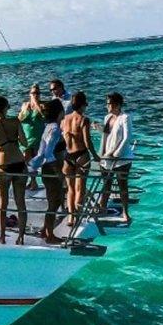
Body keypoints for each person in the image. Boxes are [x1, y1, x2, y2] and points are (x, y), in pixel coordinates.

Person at [0, 96, 29, 245]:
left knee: (3, 203)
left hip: (3, 166)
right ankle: (21, 237)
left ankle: (2, 236)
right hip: (19, 164)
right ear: (6, 108)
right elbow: (24, 142)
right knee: (21, 202)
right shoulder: (15, 122)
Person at [28, 99, 66, 244]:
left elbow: (43, 151)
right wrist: (58, 171)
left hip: (48, 168)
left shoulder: (48, 126)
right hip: (52, 169)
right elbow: (49, 152)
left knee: (54, 200)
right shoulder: (55, 129)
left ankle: (46, 229)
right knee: (55, 201)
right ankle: (49, 234)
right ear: (60, 112)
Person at [61, 91, 97, 230]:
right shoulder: (83, 120)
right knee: (79, 189)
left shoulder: (64, 120)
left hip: (67, 156)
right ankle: (79, 215)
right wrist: (95, 156)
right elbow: (87, 142)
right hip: (81, 155)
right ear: (83, 105)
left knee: (70, 189)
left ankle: (71, 217)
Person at [98, 92, 135, 224]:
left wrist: (117, 153)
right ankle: (102, 207)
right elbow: (106, 136)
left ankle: (125, 211)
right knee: (106, 184)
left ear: (117, 105)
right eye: (107, 103)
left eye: (110, 104)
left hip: (122, 157)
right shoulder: (107, 117)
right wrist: (101, 155)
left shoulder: (125, 117)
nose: (107, 106)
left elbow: (127, 137)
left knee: (122, 185)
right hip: (107, 156)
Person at [18, 84, 46, 192]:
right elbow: (20, 119)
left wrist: (37, 104)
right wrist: (24, 110)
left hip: (37, 137)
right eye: (34, 93)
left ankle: (34, 182)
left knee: (36, 160)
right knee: (26, 160)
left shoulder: (42, 106)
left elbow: (44, 117)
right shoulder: (25, 105)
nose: (36, 95)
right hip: (26, 136)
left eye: (38, 93)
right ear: (30, 94)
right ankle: (32, 181)